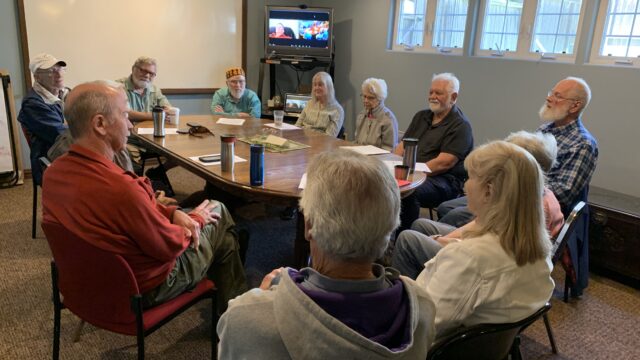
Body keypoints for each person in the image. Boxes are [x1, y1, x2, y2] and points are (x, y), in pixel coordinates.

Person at [42, 81, 247, 314]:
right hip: (145, 288)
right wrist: (197, 219)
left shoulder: (54, 174)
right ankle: (237, 317)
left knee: (224, 239)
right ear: (100, 124)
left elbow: (133, 210)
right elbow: (170, 246)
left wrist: (172, 212)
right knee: (217, 210)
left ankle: (233, 312)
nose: (130, 125)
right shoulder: (121, 188)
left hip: (89, 284)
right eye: (124, 115)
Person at [217, 149, 436, 359]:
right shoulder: (421, 308)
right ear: (390, 228)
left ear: (308, 225)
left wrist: (262, 300)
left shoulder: (245, 319)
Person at [415, 141, 554, 339]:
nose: (465, 185)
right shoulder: (540, 252)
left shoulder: (468, 259)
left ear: (489, 191)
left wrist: (405, 289)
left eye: (469, 178)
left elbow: (423, 329)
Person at [392, 131, 564, 279]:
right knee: (421, 225)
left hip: (480, 266)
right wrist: (443, 240)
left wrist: (445, 243)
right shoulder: (530, 199)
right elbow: (480, 227)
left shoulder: (524, 209)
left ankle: (406, 296)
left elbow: (480, 246)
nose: (466, 185)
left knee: (408, 239)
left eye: (474, 178)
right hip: (485, 254)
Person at [437, 77, 598, 226]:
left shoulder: (583, 144)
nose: (549, 98)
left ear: (575, 106)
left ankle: (454, 248)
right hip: (508, 193)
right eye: (551, 93)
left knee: (455, 215)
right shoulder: (545, 129)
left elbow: (563, 193)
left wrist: (512, 187)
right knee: (446, 206)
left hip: (527, 209)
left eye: (557, 96)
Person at [395, 73, 473, 231]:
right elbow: (402, 147)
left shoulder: (461, 125)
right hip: (413, 173)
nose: (432, 96)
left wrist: (411, 175)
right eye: (431, 92)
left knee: (410, 192)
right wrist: (391, 166)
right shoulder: (421, 116)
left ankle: (403, 239)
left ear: (453, 97)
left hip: (444, 181)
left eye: (438, 93)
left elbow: (444, 163)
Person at [18, 53, 69, 185]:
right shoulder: (33, 104)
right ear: (37, 77)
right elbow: (61, 135)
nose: (59, 74)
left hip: (69, 152)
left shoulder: (66, 93)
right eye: (51, 71)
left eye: (60, 69)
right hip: (50, 161)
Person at [353, 78, 399, 151]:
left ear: (380, 98)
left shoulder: (388, 119)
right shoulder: (361, 115)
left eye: (370, 98)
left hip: (378, 160)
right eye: (364, 96)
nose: (365, 101)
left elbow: (389, 150)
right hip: (360, 158)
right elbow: (356, 141)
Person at [295, 71, 344, 137]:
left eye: (320, 85)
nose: (316, 88)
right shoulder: (309, 104)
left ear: (329, 87)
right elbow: (296, 127)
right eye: (315, 85)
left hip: (320, 144)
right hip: (302, 140)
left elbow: (329, 137)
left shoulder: (337, 110)